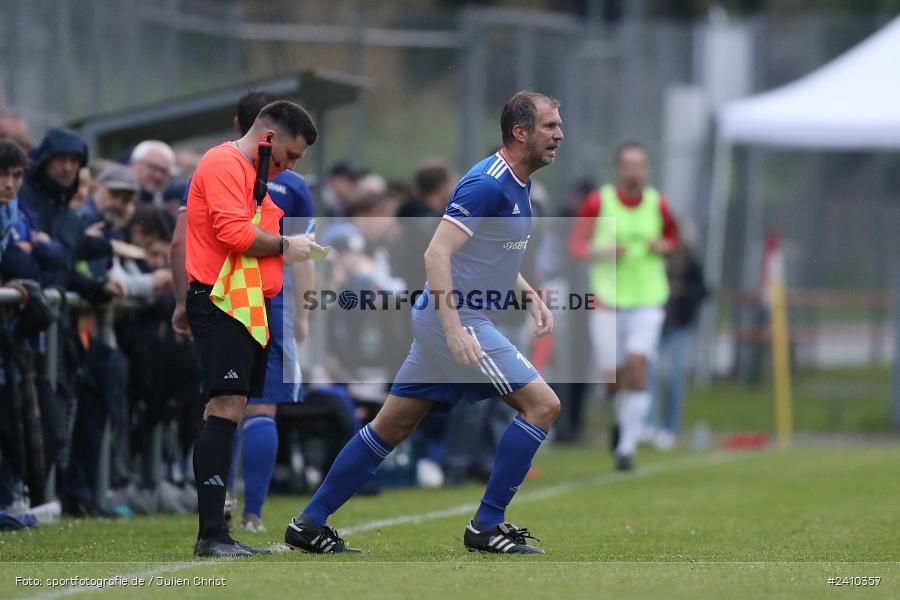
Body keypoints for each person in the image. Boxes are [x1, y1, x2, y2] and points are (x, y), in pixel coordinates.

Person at [284, 90, 564, 555]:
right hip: (456, 320)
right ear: (520, 132)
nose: (559, 135)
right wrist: (454, 331)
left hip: (450, 319)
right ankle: (487, 524)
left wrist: (529, 293)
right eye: (550, 126)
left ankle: (308, 523)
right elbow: (436, 254)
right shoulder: (487, 183)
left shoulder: (519, 183)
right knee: (543, 406)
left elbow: (490, 254)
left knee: (389, 427)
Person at [171, 90, 317, 534]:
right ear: (269, 139)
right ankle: (213, 531)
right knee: (225, 407)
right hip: (223, 301)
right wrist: (287, 246)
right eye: (290, 156)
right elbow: (236, 234)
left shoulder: (256, 176)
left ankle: (231, 522)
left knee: (235, 407)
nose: (290, 168)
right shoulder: (223, 163)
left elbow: (262, 230)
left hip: (249, 304)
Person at [569, 141, 677, 471]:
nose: (634, 171)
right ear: (618, 168)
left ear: (647, 169)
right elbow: (576, 245)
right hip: (607, 299)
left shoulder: (658, 203)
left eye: (639, 165)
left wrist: (663, 245)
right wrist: (602, 252)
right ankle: (620, 422)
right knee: (613, 377)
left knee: (637, 366)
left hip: (648, 299)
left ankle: (627, 447)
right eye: (628, 164)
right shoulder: (598, 201)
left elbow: (672, 240)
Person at [647, 228, 707, 450]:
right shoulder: (649, 258)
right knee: (649, 375)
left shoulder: (688, 260)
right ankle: (649, 425)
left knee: (673, 377)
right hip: (654, 325)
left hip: (678, 326)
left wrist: (682, 291)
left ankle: (670, 428)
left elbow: (702, 290)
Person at [129, 140, 176, 206]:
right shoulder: (117, 196)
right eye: (153, 168)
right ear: (133, 164)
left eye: (164, 172)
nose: (159, 176)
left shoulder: (168, 204)